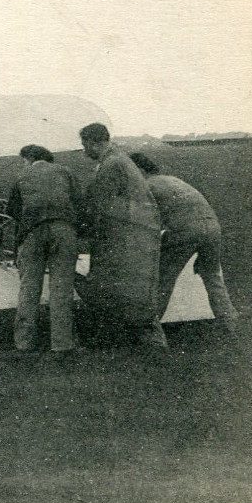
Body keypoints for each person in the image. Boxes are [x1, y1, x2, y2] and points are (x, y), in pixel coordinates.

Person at [128, 153, 239, 335]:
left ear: (140, 170)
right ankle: (230, 325)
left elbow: (146, 223)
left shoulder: (146, 186)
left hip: (185, 230)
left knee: (162, 279)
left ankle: (151, 331)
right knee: (212, 277)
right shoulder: (173, 180)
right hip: (212, 228)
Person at [77, 123, 165, 348]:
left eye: (85, 145)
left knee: (125, 285)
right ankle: (137, 339)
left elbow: (99, 201)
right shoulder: (117, 159)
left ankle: (145, 340)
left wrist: (80, 224)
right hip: (134, 230)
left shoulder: (112, 163)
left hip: (129, 233)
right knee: (131, 285)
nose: (85, 151)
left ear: (94, 142)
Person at [6, 145, 81, 356]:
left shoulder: (22, 175)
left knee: (29, 288)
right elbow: (79, 202)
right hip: (64, 230)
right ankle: (62, 345)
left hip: (33, 232)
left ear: (29, 158)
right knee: (62, 288)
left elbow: (12, 209)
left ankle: (24, 343)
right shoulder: (65, 172)